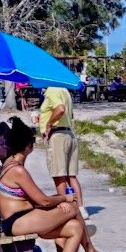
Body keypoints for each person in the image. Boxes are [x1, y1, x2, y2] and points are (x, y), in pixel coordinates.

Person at [0, 118, 105, 252]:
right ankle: (90, 251)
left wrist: (57, 203)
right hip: (18, 221)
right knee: (72, 207)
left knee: (74, 227)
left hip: (22, 218)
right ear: (28, 146)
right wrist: (64, 199)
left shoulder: (11, 164)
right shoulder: (17, 170)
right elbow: (43, 201)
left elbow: (38, 199)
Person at [37, 84, 84, 215]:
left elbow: (60, 109)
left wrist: (49, 124)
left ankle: (65, 208)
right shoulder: (64, 90)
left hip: (58, 135)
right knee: (71, 176)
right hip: (68, 133)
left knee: (58, 175)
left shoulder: (52, 90)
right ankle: (81, 208)